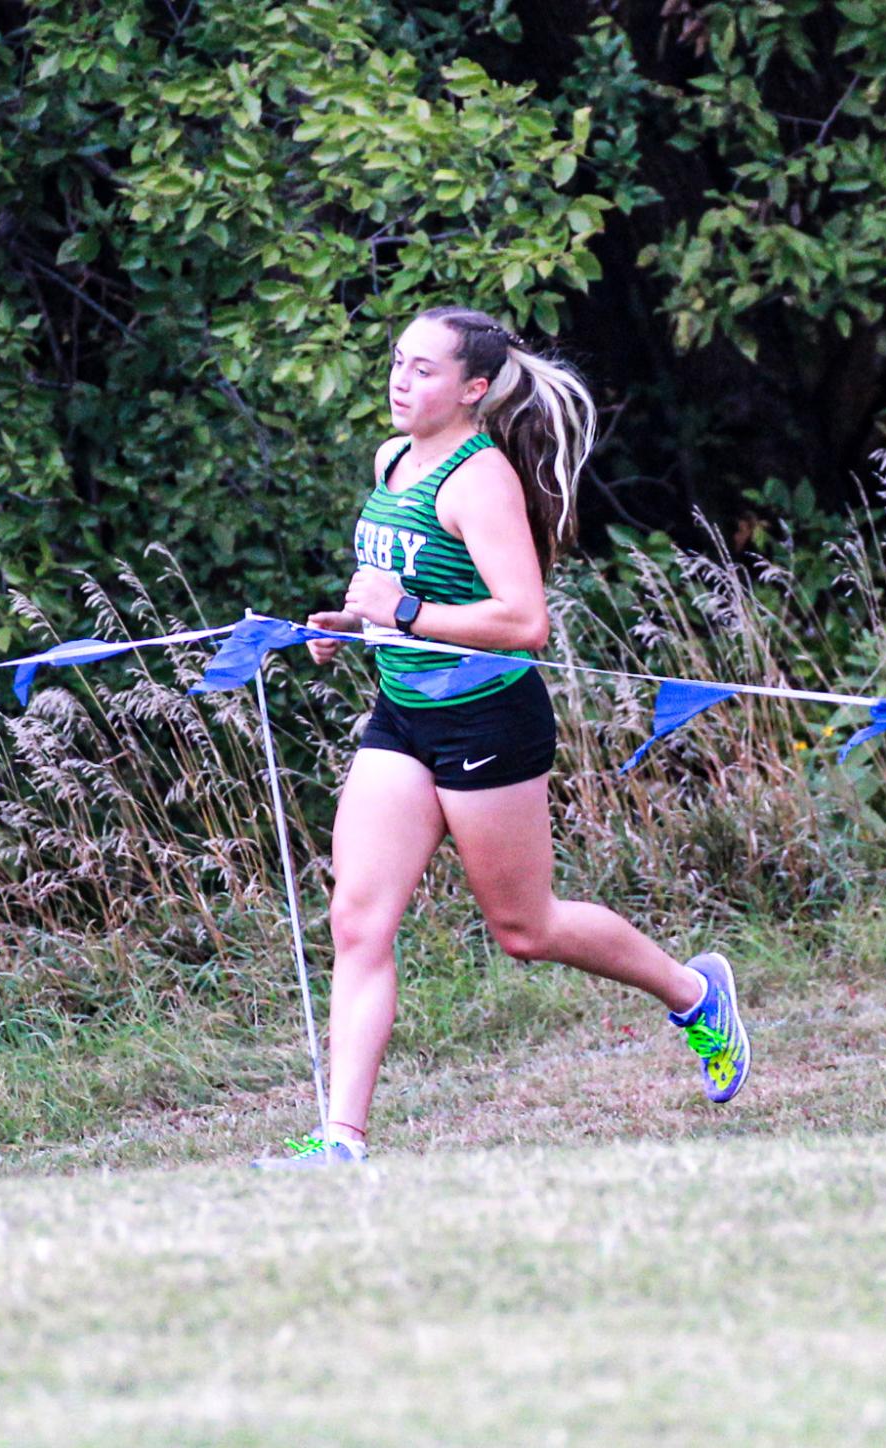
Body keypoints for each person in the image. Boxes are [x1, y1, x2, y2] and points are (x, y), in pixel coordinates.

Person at [253, 305, 750, 1169]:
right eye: (397, 363)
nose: (400, 381)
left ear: (473, 390)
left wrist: (401, 612)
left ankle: (693, 991)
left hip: (488, 721)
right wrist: (353, 623)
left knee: (525, 929)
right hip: (403, 715)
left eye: (423, 371)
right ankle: (340, 1144)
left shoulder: (480, 480)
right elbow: (399, 582)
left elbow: (525, 622)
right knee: (358, 921)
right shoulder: (393, 458)